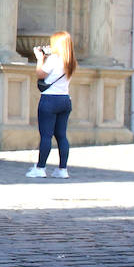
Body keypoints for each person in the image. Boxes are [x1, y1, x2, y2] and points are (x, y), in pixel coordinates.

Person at [26, 30, 77, 179]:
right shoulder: (71, 61)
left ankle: (40, 168)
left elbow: (40, 74)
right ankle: (63, 169)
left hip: (49, 100)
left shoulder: (54, 59)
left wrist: (39, 59)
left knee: (46, 136)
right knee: (61, 136)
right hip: (65, 99)